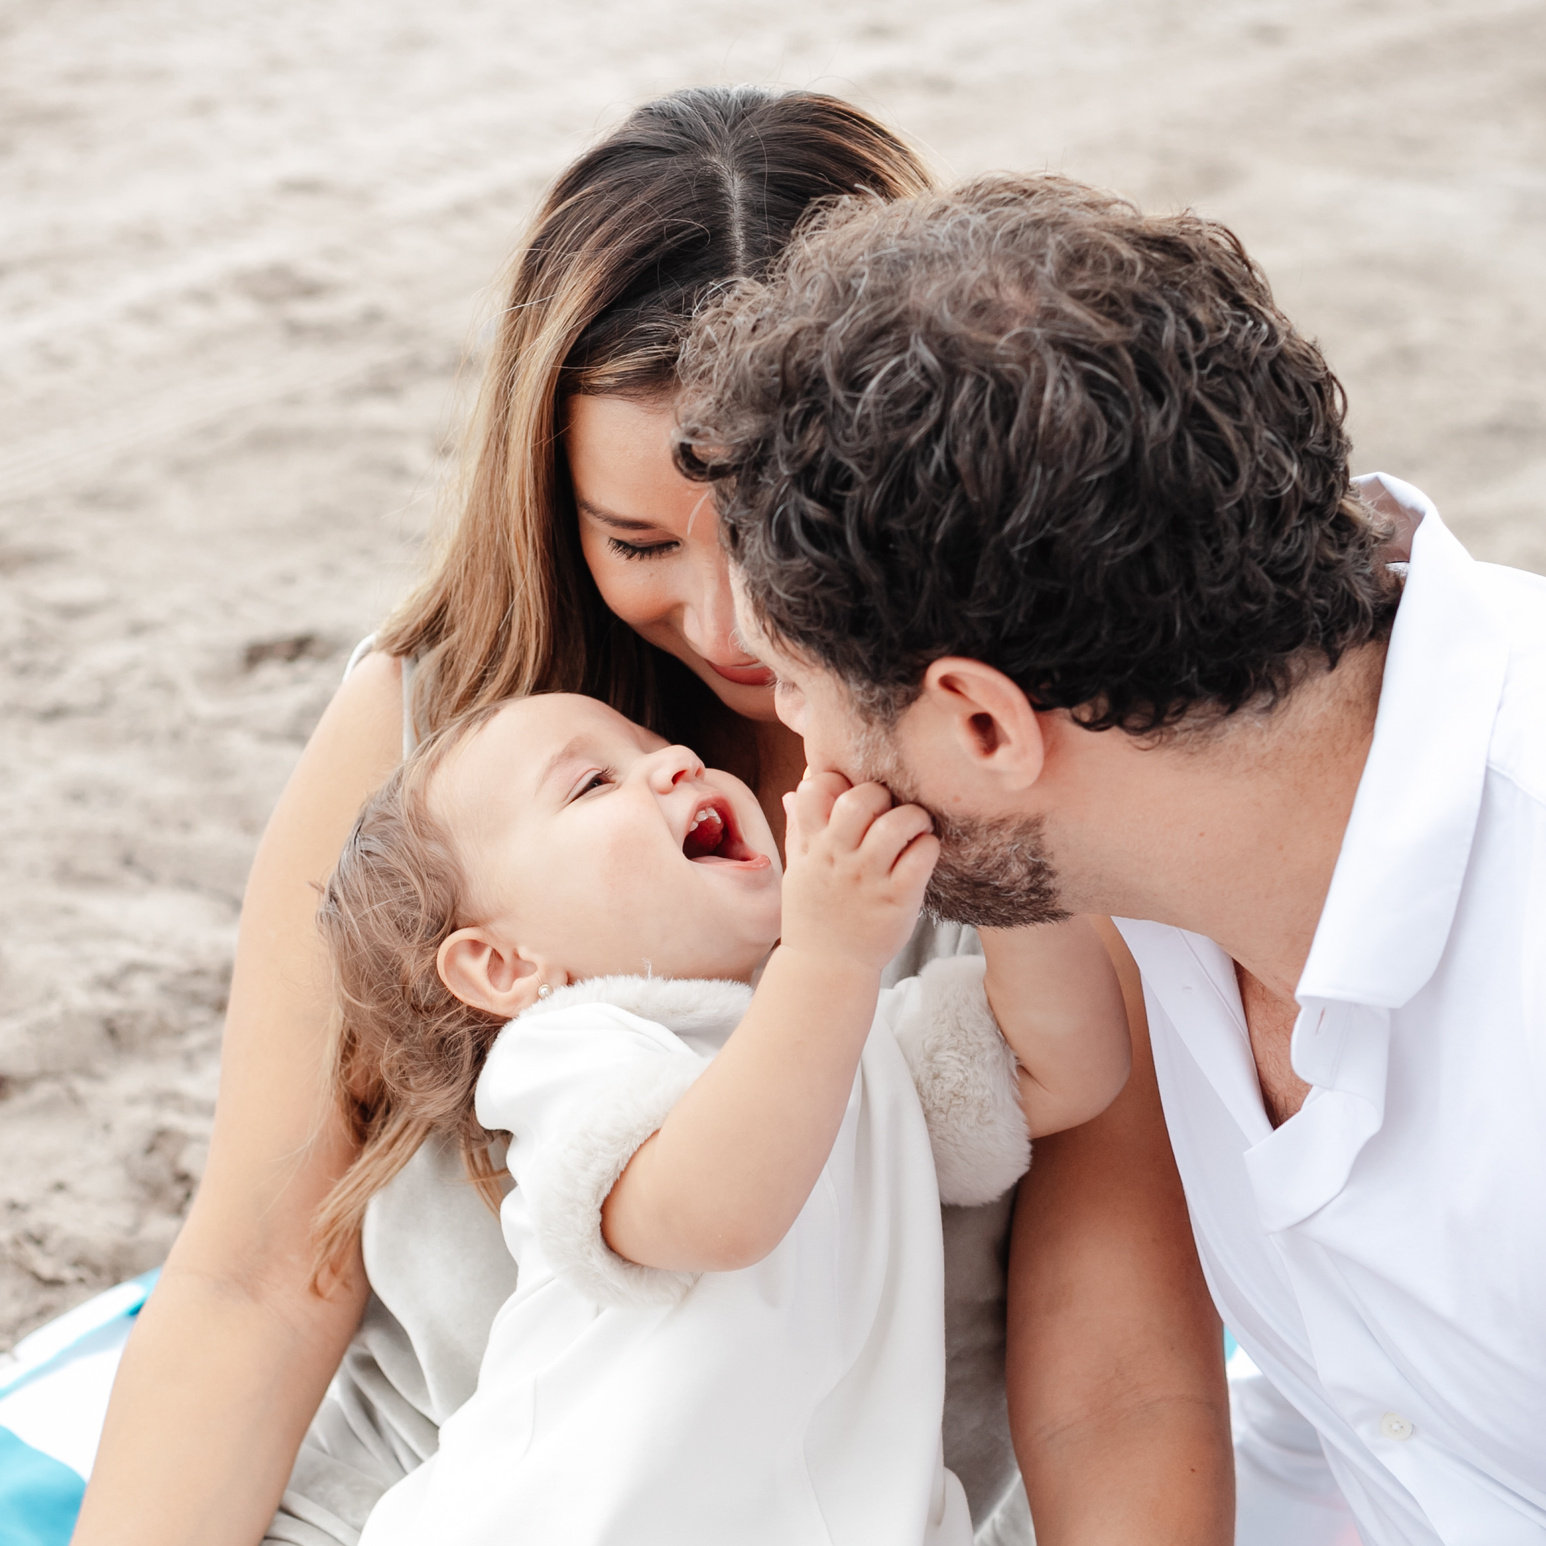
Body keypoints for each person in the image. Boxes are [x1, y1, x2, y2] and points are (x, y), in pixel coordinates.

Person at [74, 96, 1230, 1546]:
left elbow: (1117, 1354)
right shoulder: (436, 734)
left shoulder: (1027, 735)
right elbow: (256, 1274)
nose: (735, 626)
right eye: (636, 542)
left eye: (775, 534)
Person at [677, 171, 1546, 1545]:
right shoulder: (1170, 862)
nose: (784, 733)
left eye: (795, 685)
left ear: (980, 722)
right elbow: (1382, 1423)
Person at [315, 690, 1127, 1543]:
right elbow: (716, 1212)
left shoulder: (855, 1043)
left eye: (657, 742)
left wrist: (993, 863)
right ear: (503, 966)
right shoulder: (575, 1055)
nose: (677, 761)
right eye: (594, 783)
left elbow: (1068, 1067)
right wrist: (831, 954)